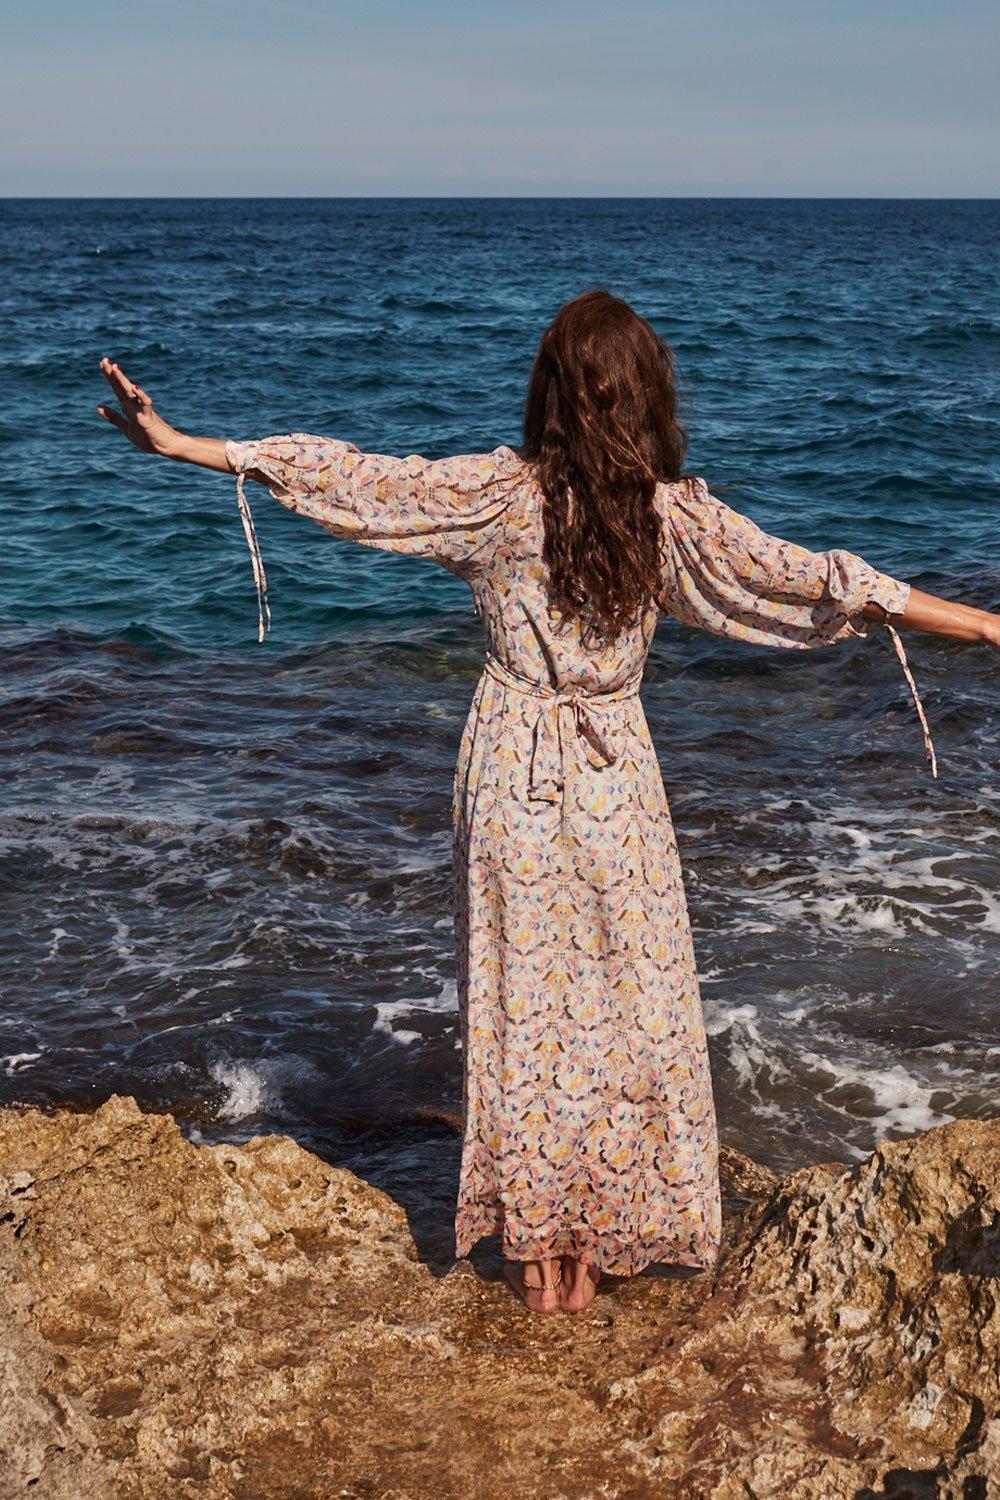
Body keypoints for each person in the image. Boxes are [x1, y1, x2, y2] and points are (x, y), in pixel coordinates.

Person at [96, 289, 999, 1316]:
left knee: (521, 1008)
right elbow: (816, 580)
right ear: (646, 397)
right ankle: (600, 1239)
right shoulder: (670, 521)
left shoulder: (500, 499)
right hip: (617, 774)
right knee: (630, 1006)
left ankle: (537, 1255)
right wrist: (977, 623)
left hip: (510, 763)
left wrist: (184, 445)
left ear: (550, 396)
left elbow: (354, 479)